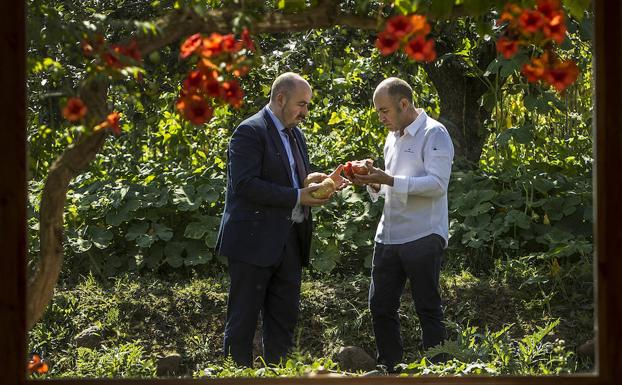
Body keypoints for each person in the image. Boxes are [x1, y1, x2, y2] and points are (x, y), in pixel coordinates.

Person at [216, 72, 347, 367]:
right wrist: (300, 195)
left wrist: (319, 181)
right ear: (280, 99)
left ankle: (279, 376)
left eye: (308, 105)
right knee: (243, 321)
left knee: (283, 322)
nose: (306, 112)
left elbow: (292, 180)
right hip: (252, 241)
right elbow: (245, 185)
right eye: (302, 104)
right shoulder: (249, 131)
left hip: (289, 239)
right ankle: (235, 376)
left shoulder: (295, 134)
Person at [353, 77, 454, 370]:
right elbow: (392, 186)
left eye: (384, 111)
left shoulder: (435, 133)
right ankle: (389, 367)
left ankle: (438, 369)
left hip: (424, 233)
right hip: (388, 235)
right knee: (380, 306)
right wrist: (373, 182)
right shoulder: (391, 137)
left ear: (404, 104)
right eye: (378, 112)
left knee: (427, 307)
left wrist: (389, 179)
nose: (381, 117)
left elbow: (437, 185)